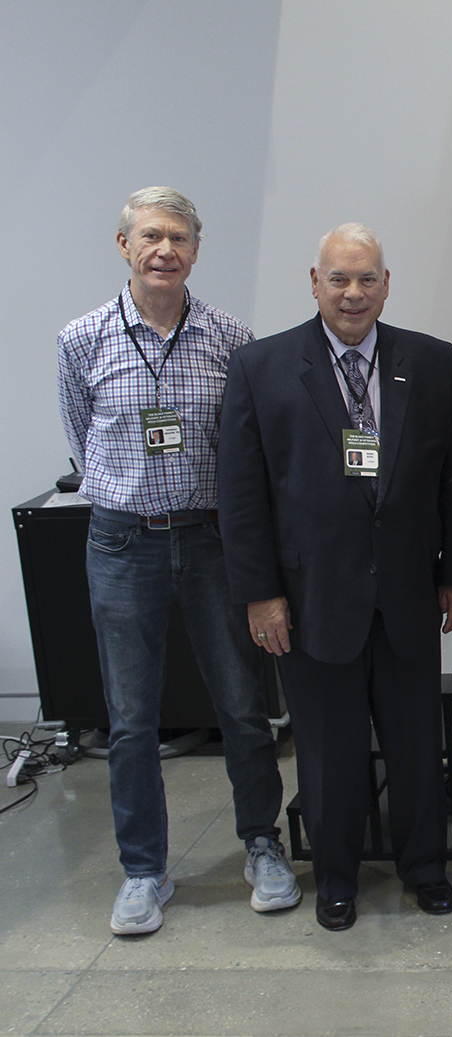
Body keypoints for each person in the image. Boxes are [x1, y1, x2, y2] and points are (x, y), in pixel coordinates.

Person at [218, 224, 452, 932]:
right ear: (314, 281)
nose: (353, 292)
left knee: (418, 743)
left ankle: (424, 868)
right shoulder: (260, 367)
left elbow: (449, 477)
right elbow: (241, 494)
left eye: (367, 278)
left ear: (386, 283)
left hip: (408, 594)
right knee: (329, 752)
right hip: (309, 599)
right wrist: (261, 593)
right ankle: (336, 876)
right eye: (339, 278)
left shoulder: (429, 362)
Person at [57, 187, 298, 936]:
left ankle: (262, 843)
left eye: (179, 237)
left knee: (240, 705)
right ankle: (142, 869)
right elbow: (78, 435)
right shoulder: (83, 337)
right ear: (123, 245)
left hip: (210, 539)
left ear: (197, 249)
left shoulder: (231, 337)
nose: (165, 249)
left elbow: (248, 447)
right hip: (121, 540)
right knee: (131, 719)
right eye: (151, 236)